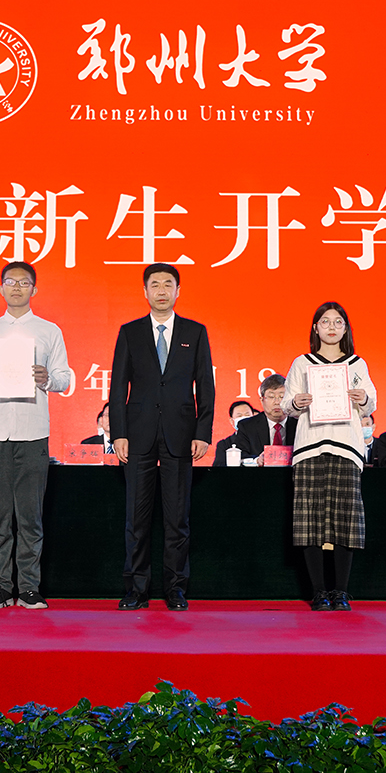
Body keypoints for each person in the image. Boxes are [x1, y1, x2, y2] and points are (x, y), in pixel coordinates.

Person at [0, 259, 74, 609]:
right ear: (1, 288)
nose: (16, 287)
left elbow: (65, 377)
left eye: (24, 282)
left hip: (32, 431)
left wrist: (47, 379)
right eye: (10, 282)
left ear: (34, 289)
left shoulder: (48, 331)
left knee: (30, 516)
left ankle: (28, 587)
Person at [109, 262, 216, 611]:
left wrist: (203, 432)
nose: (161, 291)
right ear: (145, 291)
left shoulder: (195, 332)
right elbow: (117, 387)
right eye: (154, 284)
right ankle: (136, 589)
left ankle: (176, 589)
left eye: (168, 284)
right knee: (136, 519)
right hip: (137, 434)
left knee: (177, 519)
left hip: (181, 434)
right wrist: (119, 433)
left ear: (178, 291)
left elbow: (206, 386)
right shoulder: (130, 332)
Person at [283, 302, 378, 610]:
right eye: (325, 322)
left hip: (346, 447)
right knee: (309, 521)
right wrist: (296, 402)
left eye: (338, 322)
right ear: (316, 328)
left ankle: (341, 592)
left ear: (345, 328)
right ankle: (318, 592)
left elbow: (371, 402)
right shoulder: (302, 363)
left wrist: (363, 398)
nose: (332, 327)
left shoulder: (356, 364)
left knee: (345, 520)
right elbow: (286, 404)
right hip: (310, 446)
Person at [233, 374, 297, 458]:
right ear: (262, 400)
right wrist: (257, 460)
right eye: (271, 397)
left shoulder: (300, 424)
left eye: (282, 397)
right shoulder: (246, 426)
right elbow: (240, 456)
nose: (277, 402)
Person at [213, 399, 257, 465]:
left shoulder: (264, 439)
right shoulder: (224, 445)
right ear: (231, 421)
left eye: (247, 415)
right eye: (239, 416)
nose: (244, 418)